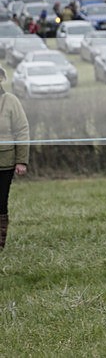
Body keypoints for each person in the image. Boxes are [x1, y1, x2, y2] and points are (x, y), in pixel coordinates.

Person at [0, 65, 29, 251]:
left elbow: (22, 130)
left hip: (4, 163)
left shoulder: (11, 101)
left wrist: (21, 160)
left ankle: (0, 242)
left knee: (1, 203)